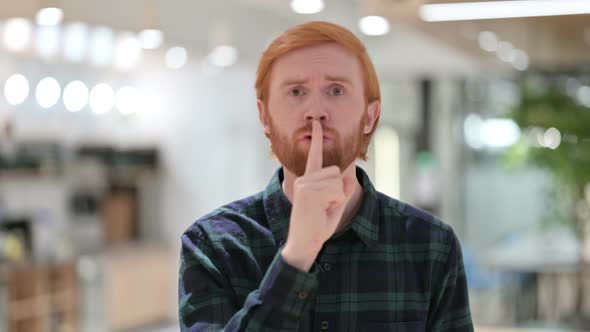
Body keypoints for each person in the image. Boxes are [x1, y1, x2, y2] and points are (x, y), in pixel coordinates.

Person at [178, 21, 473, 332]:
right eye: (296, 91)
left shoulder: (430, 245)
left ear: (369, 116)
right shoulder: (213, 244)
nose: (316, 110)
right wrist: (297, 255)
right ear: (264, 116)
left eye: (336, 90)